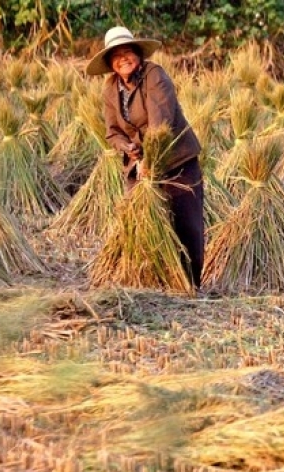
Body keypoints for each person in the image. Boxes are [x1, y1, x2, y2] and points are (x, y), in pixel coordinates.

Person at [86, 26, 205, 289]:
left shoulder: (155, 75)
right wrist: (128, 148)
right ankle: (151, 279)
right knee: (137, 221)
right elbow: (111, 132)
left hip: (175, 160)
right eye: (116, 55)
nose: (123, 58)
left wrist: (147, 158)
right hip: (139, 163)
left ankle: (190, 284)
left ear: (138, 54)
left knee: (187, 225)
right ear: (110, 63)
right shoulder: (110, 89)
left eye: (128, 51)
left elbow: (160, 121)